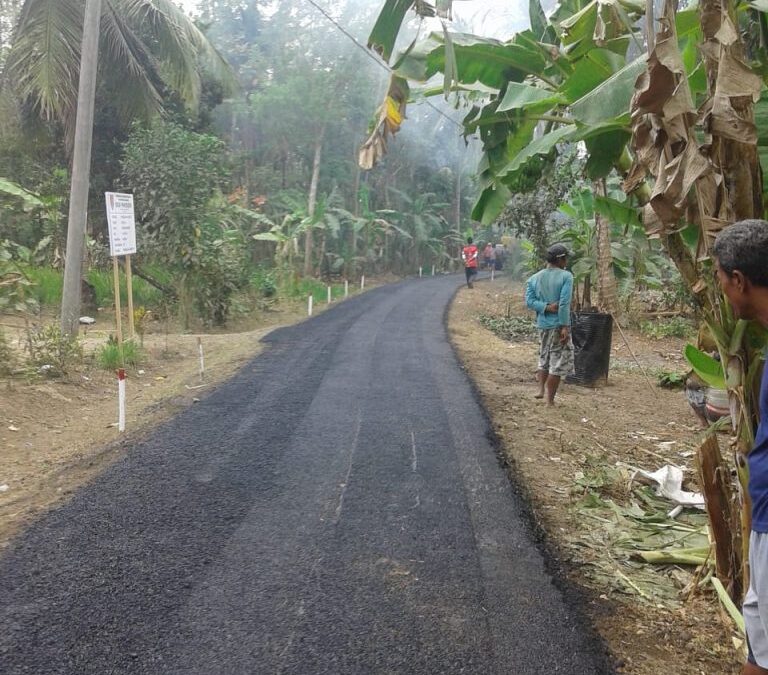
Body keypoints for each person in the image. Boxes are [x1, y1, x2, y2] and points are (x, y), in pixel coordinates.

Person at [713, 220, 768, 675]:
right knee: (759, 644)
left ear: (738, 280)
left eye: (720, 280)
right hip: (764, 522)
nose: (722, 292)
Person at [525, 243, 574, 405]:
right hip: (558, 324)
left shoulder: (534, 278)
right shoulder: (566, 276)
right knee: (557, 363)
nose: (566, 261)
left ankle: (540, 390)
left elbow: (529, 301)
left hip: (542, 324)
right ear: (560, 260)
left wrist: (545, 307)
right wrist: (564, 326)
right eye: (565, 258)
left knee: (543, 357)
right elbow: (564, 304)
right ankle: (550, 401)